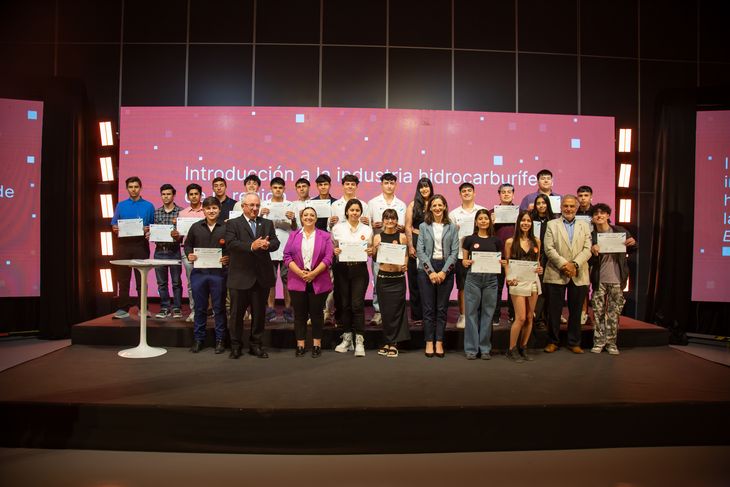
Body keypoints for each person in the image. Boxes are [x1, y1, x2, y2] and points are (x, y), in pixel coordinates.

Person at [225, 192, 280, 359]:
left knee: (259, 315)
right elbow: (231, 244)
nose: (255, 208)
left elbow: (276, 242)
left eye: (257, 205)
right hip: (240, 276)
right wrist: (252, 246)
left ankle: (256, 345)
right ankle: (236, 346)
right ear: (243, 206)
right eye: (251, 205)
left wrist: (268, 244)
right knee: (236, 315)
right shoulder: (233, 223)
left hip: (261, 277)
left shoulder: (267, 223)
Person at [542, 195, 592, 354]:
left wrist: (574, 264)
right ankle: (553, 341)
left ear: (576, 208)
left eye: (571, 206)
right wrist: (565, 265)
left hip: (579, 272)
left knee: (576, 311)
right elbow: (548, 248)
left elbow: (588, 249)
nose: (568, 209)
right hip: (556, 271)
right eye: (565, 206)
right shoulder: (551, 224)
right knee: (554, 311)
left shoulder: (585, 225)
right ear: (561, 207)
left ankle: (574, 342)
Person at [284, 206, 334, 358]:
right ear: (301, 218)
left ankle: (316, 344)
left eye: (312, 215)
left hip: (318, 279)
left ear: (316, 218)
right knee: (299, 315)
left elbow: (328, 257)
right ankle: (300, 345)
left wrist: (313, 273)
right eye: (305, 215)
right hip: (297, 279)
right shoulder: (293, 235)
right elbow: (287, 256)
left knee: (317, 314)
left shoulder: (325, 236)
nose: (308, 217)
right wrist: (300, 273)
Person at [589, 203, 636, 355]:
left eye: (602, 213)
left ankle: (611, 343)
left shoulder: (620, 231)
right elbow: (588, 259)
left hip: (617, 278)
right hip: (599, 279)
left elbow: (633, 248)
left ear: (608, 215)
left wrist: (633, 243)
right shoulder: (591, 235)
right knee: (598, 312)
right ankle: (598, 342)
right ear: (592, 218)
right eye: (596, 214)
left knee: (614, 313)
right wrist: (592, 250)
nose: (599, 216)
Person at [184, 196, 230, 353]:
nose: (211, 211)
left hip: (219, 274)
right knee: (200, 308)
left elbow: (231, 247)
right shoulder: (195, 227)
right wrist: (189, 254)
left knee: (219, 308)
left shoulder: (226, 228)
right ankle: (199, 339)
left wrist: (228, 257)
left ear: (219, 210)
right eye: (208, 208)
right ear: (203, 210)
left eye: (214, 208)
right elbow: (188, 245)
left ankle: (220, 340)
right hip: (199, 274)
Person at [416, 194, 459, 358]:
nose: (437, 208)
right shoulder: (423, 226)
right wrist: (431, 272)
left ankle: (439, 341)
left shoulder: (452, 227)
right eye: (434, 205)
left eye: (440, 205)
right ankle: (429, 341)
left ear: (445, 207)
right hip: (426, 269)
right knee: (428, 309)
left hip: (445, 268)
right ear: (430, 208)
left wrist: (443, 272)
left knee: (442, 309)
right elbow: (420, 251)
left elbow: (454, 252)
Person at [331, 199, 373, 357]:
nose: (354, 213)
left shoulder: (367, 229)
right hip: (341, 269)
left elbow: (371, 248)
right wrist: (334, 251)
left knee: (357, 304)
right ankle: (347, 338)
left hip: (359, 269)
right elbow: (332, 246)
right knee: (345, 304)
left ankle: (359, 340)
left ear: (361, 212)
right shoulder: (337, 228)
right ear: (347, 212)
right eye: (352, 210)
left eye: (357, 210)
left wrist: (371, 251)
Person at [111, 176, 155, 319]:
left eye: (136, 187)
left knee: (141, 278)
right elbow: (114, 225)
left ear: (140, 188)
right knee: (123, 279)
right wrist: (116, 229)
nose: (133, 189)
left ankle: (143, 308)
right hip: (123, 245)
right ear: (127, 188)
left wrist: (149, 229)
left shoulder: (148, 206)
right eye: (130, 187)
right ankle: (123, 309)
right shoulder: (121, 205)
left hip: (140, 245)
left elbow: (153, 226)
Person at [461, 209, 502, 360]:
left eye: (486, 218)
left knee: (488, 313)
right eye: (480, 219)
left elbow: (500, 260)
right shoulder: (469, 239)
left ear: (490, 221)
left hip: (491, 280)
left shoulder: (496, 241)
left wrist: (502, 263)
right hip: (473, 279)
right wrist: (465, 262)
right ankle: (471, 349)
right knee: (471, 314)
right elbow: (464, 261)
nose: (483, 221)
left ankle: (485, 348)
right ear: (476, 222)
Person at [367, 173, 407, 326]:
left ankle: (392, 312)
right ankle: (378, 311)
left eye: (392, 183)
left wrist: (401, 227)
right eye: (386, 183)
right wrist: (372, 225)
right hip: (380, 245)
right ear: (381, 184)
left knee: (396, 280)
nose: (389, 185)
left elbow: (404, 227)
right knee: (378, 280)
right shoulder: (372, 203)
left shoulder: (401, 204)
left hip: (396, 247)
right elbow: (366, 225)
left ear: (395, 184)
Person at [504, 211, 544, 363]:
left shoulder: (536, 241)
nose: (526, 223)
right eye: (523, 220)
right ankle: (511, 349)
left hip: (532, 281)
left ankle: (523, 347)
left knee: (529, 316)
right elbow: (507, 263)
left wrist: (539, 269)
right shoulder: (510, 242)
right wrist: (509, 278)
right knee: (520, 317)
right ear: (518, 222)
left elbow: (537, 262)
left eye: (528, 221)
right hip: (517, 282)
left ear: (531, 224)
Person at [373, 208, 410, 358]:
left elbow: (406, 255)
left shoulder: (402, 237)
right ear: (383, 220)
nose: (390, 221)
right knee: (386, 312)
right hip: (383, 278)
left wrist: (405, 265)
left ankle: (394, 343)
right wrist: (375, 249)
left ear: (396, 221)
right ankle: (387, 341)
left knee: (397, 312)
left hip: (398, 279)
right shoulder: (377, 237)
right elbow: (375, 258)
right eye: (387, 218)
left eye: (393, 218)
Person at [260, 177, 297, 323]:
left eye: (280, 188)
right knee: (270, 280)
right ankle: (270, 309)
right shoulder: (264, 204)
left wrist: (293, 219)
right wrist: (261, 215)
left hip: (287, 246)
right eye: (275, 187)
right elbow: (258, 226)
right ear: (271, 189)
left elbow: (295, 228)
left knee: (288, 280)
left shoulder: (291, 205)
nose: (277, 190)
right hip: (269, 247)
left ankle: (288, 309)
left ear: (284, 189)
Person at [449, 182, 485, 329]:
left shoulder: (482, 211)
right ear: (460, 194)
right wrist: (454, 230)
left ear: (474, 193)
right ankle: (463, 315)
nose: (467, 193)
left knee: (480, 286)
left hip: (480, 256)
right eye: (464, 191)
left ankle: (477, 314)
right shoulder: (453, 214)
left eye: (469, 190)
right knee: (462, 287)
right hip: (460, 255)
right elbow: (449, 236)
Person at [151, 183, 183, 319]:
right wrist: (150, 234)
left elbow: (183, 233)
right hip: (159, 251)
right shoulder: (156, 212)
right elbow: (153, 231)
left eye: (168, 194)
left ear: (173, 195)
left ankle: (177, 308)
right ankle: (164, 307)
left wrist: (178, 235)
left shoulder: (181, 212)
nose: (166, 196)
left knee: (176, 282)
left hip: (174, 250)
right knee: (161, 283)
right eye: (163, 194)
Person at [405, 177, 433, 324]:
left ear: (430, 188)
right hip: (416, 241)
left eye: (426, 186)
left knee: (430, 277)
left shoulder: (436, 203)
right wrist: (410, 246)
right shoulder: (413, 205)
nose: (424, 189)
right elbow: (408, 226)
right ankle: (417, 316)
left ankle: (430, 314)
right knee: (415, 279)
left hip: (433, 243)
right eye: (421, 187)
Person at [174, 183, 205, 322]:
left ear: (200, 195)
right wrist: (175, 235)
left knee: (207, 282)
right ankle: (194, 311)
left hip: (205, 251)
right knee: (191, 283)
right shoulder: (182, 213)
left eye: (196, 194)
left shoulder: (206, 211)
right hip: (188, 251)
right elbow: (180, 237)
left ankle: (206, 311)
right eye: (191, 194)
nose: (194, 196)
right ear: (187, 196)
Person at [488, 183, 517, 325]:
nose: (506, 194)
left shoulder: (519, 213)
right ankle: (495, 315)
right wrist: (491, 223)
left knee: (514, 286)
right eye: (503, 192)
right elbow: (485, 233)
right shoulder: (491, 213)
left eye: (509, 192)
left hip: (515, 255)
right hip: (497, 256)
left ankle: (513, 314)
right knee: (496, 287)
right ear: (499, 194)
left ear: (513, 194)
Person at [529, 193, 555, 329]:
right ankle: (537, 319)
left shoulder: (554, 220)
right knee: (538, 289)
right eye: (538, 203)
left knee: (548, 289)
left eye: (543, 203)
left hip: (551, 257)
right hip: (535, 257)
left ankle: (548, 318)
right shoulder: (531, 219)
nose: (541, 206)